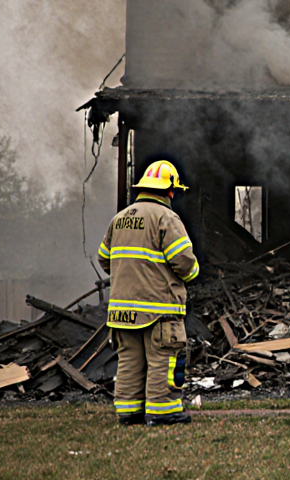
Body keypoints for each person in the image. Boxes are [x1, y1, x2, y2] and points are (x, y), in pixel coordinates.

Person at [98, 160, 200, 426]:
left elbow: (104, 259)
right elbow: (184, 261)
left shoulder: (119, 219)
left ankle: (129, 412)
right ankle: (162, 412)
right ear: (168, 190)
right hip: (158, 309)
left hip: (122, 312)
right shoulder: (166, 218)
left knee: (130, 361)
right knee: (163, 359)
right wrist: (190, 276)